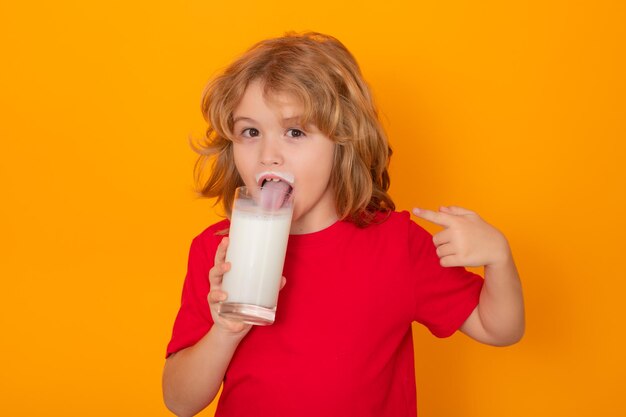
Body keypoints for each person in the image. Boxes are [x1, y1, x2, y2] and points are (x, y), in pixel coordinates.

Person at [162, 32, 525, 417]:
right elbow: (179, 402)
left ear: (343, 143)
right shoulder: (217, 251)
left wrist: (499, 259)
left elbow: (498, 328)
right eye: (250, 132)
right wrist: (224, 331)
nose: (269, 155)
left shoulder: (397, 245)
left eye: (295, 132)